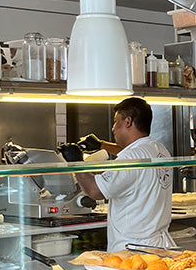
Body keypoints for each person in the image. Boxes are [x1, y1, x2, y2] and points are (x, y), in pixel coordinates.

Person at [73, 97, 175, 252]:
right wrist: (102, 145)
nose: (113, 128)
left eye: (116, 121)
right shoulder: (160, 149)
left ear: (128, 122)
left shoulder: (131, 158)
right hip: (157, 245)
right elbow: (133, 157)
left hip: (132, 249)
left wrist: (75, 162)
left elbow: (95, 191)